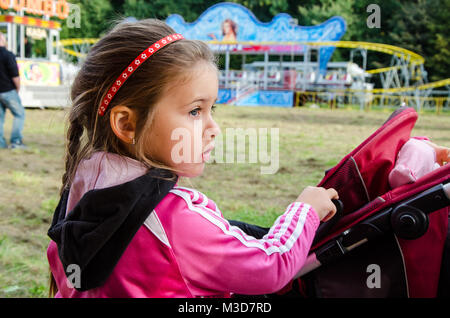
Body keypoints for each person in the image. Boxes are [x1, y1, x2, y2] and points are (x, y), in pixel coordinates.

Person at [46, 19, 338, 298]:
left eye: (213, 109)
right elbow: (271, 267)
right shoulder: (174, 219)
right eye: (195, 111)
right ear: (126, 124)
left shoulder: (78, 195)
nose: (214, 128)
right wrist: (305, 209)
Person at [0, 33, 26, 149]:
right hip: (8, 91)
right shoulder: (8, 55)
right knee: (19, 114)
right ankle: (16, 141)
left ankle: (0, 143)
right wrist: (17, 89)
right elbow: (15, 75)